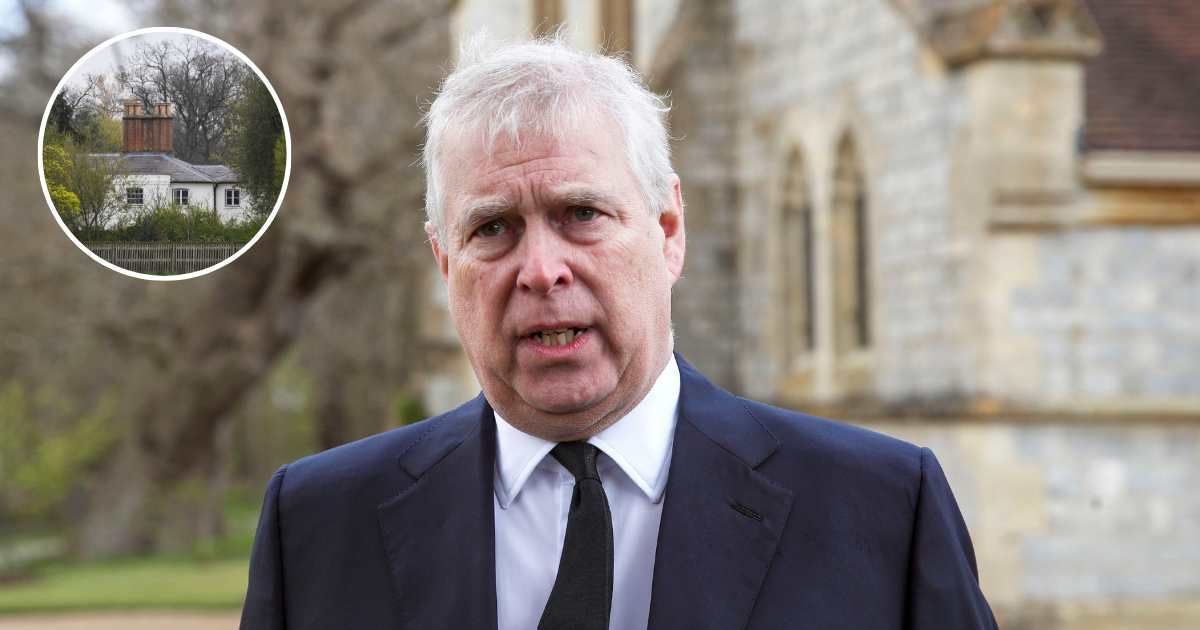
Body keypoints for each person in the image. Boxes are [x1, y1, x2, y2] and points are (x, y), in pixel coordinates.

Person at [239, 37, 998, 630]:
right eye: (493, 228)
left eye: (582, 215)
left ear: (668, 232)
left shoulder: (882, 511)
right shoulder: (316, 526)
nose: (541, 270)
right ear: (445, 262)